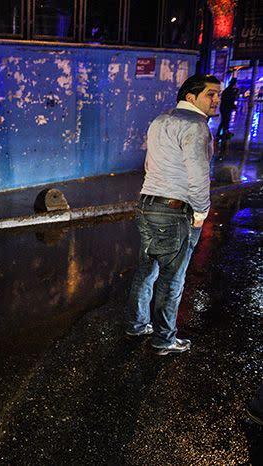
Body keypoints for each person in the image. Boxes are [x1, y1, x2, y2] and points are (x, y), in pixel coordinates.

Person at [125, 74, 220, 356]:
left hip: (147, 204)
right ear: (191, 97)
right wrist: (202, 211)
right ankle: (164, 339)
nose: (216, 100)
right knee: (172, 277)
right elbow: (199, 175)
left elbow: (150, 163)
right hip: (175, 209)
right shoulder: (196, 126)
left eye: (218, 95)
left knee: (146, 269)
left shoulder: (161, 120)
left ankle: (137, 324)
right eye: (210, 94)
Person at [216, 77, 238, 141]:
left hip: (224, 107)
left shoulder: (228, 90)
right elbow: (230, 100)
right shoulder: (230, 90)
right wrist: (234, 107)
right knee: (225, 120)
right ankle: (223, 134)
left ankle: (221, 133)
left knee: (224, 121)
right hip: (226, 108)